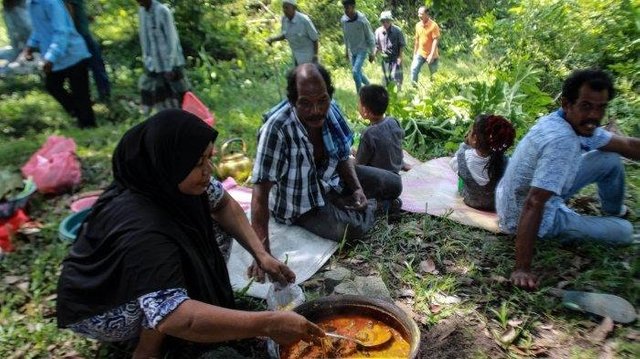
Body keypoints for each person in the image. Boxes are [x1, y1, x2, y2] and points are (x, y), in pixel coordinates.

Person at [56, 110, 324, 358]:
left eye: (209, 157)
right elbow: (177, 317)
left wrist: (261, 253)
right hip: (106, 306)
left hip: (143, 277)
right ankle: (147, 350)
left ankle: (175, 314)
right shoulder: (142, 229)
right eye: (199, 163)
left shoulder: (168, 181)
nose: (209, 170)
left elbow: (224, 204)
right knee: (167, 306)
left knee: (210, 233)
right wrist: (269, 324)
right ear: (169, 163)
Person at [250, 63, 402, 280]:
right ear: (293, 101)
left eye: (322, 100)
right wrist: (261, 252)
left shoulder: (331, 110)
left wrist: (356, 188)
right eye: (305, 103)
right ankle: (379, 206)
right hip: (300, 201)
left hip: (331, 179)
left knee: (395, 184)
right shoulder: (277, 129)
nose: (316, 110)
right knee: (351, 230)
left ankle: (359, 201)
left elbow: (342, 155)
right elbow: (260, 192)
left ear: (329, 95)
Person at [496, 69, 639, 290]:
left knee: (610, 158)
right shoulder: (562, 141)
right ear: (567, 104)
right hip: (526, 216)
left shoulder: (568, 121)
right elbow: (534, 202)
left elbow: (626, 145)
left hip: (513, 195)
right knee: (625, 231)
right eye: (586, 106)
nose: (594, 116)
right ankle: (613, 220)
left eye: (600, 107)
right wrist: (521, 268)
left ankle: (613, 210)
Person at [23, 0, 96, 128]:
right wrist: (30, 46)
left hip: (73, 54)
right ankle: (79, 115)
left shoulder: (50, 3)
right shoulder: (32, 4)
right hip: (57, 58)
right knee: (52, 86)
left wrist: (51, 57)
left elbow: (61, 31)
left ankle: (88, 125)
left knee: (80, 93)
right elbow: (39, 29)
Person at [450, 114, 515, 211]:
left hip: (471, 201)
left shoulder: (462, 158)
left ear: (475, 139)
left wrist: (465, 144)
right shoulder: (505, 162)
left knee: (461, 178)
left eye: (470, 132)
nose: (468, 133)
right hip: (494, 205)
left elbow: (453, 163)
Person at [136, 0, 190, 112]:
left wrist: (169, 65)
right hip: (154, 63)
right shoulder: (142, 12)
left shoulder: (162, 11)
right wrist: (146, 59)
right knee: (157, 92)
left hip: (172, 61)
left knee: (181, 93)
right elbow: (144, 38)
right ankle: (166, 117)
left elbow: (172, 38)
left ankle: (191, 116)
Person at [64, 0, 111, 101]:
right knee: (94, 65)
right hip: (81, 36)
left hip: (82, 34)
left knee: (91, 66)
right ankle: (103, 95)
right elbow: (70, 9)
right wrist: (71, 33)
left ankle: (100, 95)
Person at [354, 84, 407, 174]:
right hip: (396, 168)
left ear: (365, 111)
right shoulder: (393, 121)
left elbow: (360, 164)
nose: (357, 105)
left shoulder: (368, 134)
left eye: (359, 103)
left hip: (380, 178)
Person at [266, 0, 319, 65]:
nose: (284, 10)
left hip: (308, 56)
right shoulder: (284, 20)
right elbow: (285, 35)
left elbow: (315, 39)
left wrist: (315, 56)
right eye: (283, 7)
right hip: (295, 55)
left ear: (294, 8)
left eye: (287, 8)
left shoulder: (304, 21)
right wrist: (272, 39)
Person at [340, 0, 375, 92]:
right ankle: (370, 87)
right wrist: (346, 51)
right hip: (352, 50)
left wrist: (372, 52)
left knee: (355, 72)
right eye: (344, 8)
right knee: (358, 73)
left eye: (347, 8)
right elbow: (345, 36)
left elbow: (370, 36)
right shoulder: (344, 20)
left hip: (362, 49)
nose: (345, 10)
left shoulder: (362, 20)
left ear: (353, 7)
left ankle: (360, 96)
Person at [373, 11, 405, 90]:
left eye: (387, 21)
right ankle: (388, 96)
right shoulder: (378, 32)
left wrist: (400, 57)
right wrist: (373, 55)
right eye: (383, 21)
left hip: (395, 58)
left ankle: (398, 94)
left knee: (396, 78)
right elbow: (377, 45)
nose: (385, 23)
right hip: (385, 59)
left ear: (390, 21)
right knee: (386, 78)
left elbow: (401, 45)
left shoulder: (397, 31)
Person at [410, 6, 440, 85]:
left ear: (427, 14)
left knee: (434, 75)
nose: (419, 15)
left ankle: (434, 90)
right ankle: (413, 89)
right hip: (421, 53)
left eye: (421, 14)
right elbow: (417, 40)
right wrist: (414, 53)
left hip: (432, 54)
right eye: (418, 13)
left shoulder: (434, 25)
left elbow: (435, 40)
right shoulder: (418, 25)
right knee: (413, 69)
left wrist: (431, 55)